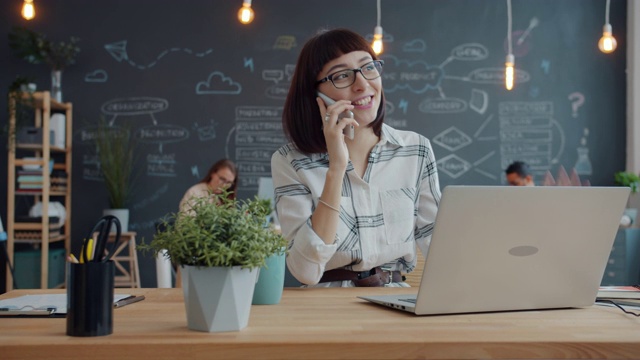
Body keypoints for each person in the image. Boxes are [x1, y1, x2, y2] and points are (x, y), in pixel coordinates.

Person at [271, 28, 441, 287]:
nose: (362, 84)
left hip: (394, 300)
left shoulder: (416, 149)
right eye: (341, 76)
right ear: (315, 94)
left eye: (368, 68)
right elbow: (305, 270)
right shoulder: (290, 161)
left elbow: (439, 246)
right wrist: (336, 169)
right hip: (326, 308)